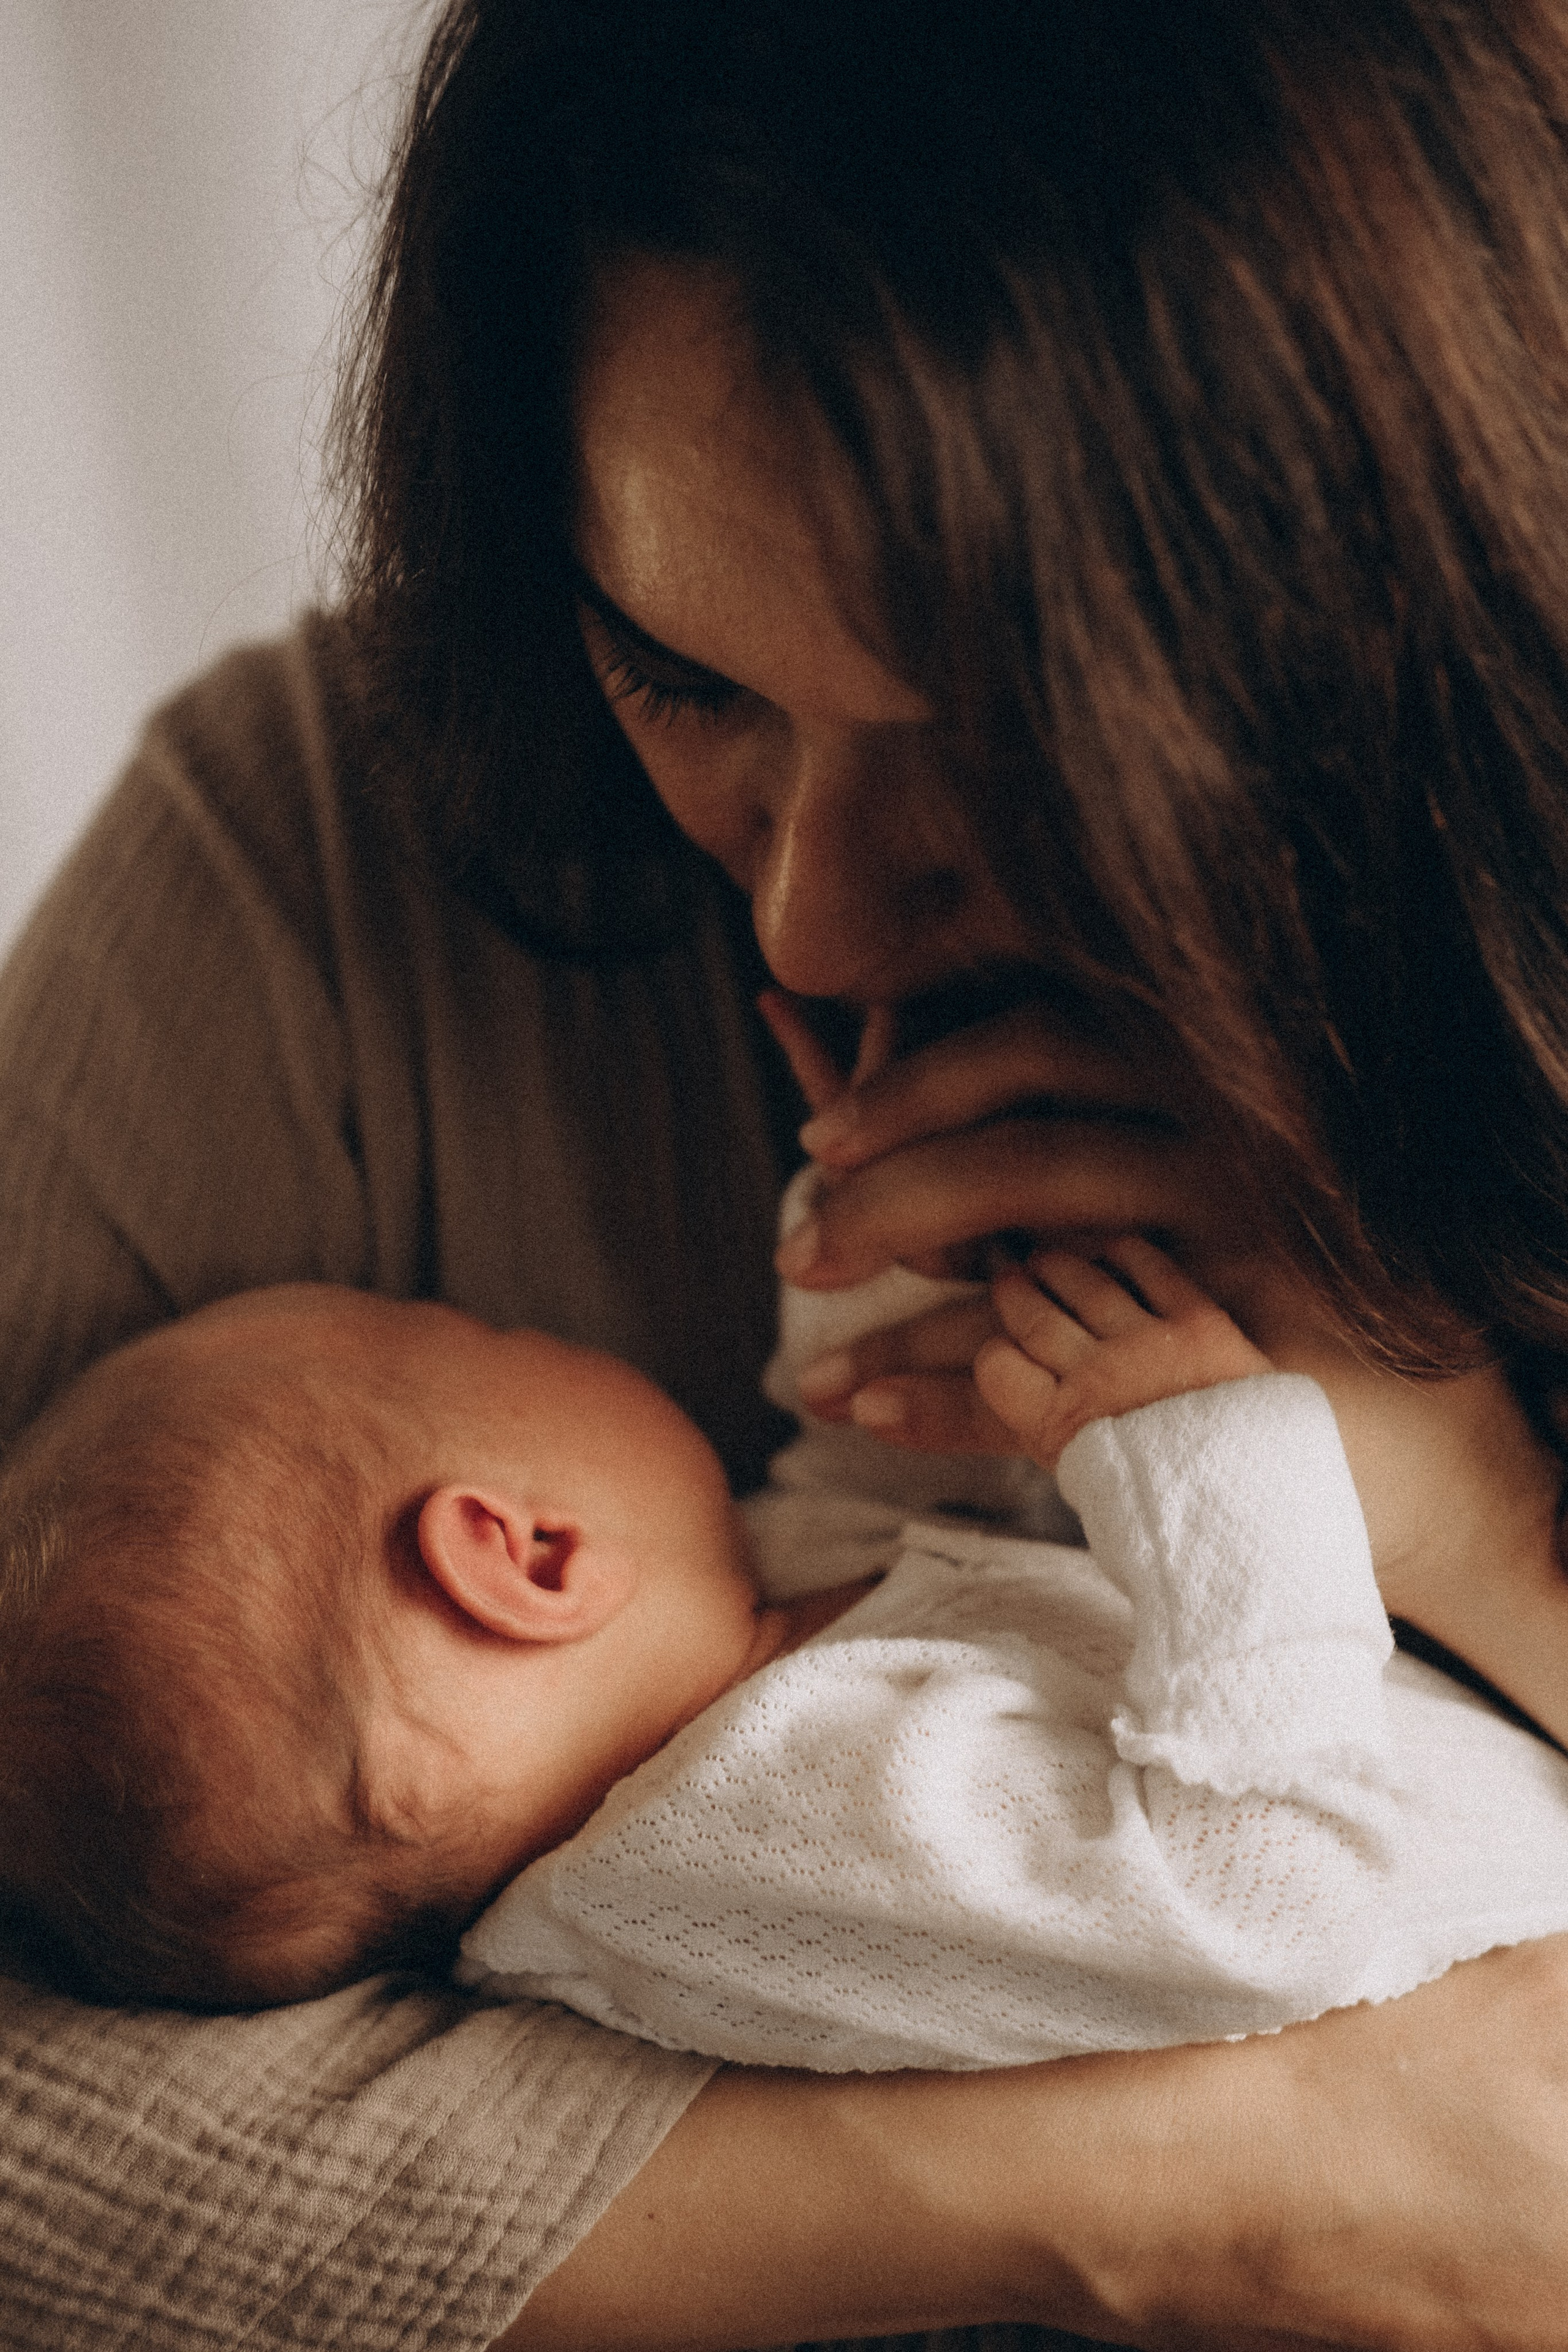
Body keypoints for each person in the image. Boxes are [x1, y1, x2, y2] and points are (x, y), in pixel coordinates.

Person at [6, 0, 1568, 2345]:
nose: (812, 918)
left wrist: (1466, 1512)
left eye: (1006, 743)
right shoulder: (312, 871)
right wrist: (1227, 2189)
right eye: (681, 672)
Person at [14, 1217, 1568, 2047]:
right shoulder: (768, 1838)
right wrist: (1202, 1452)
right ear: (524, 1555)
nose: (524, 1322)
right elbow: (1263, 1898)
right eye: (481, 1337)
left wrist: (882, 1243)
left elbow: (879, 1474)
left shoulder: (742, 1676)